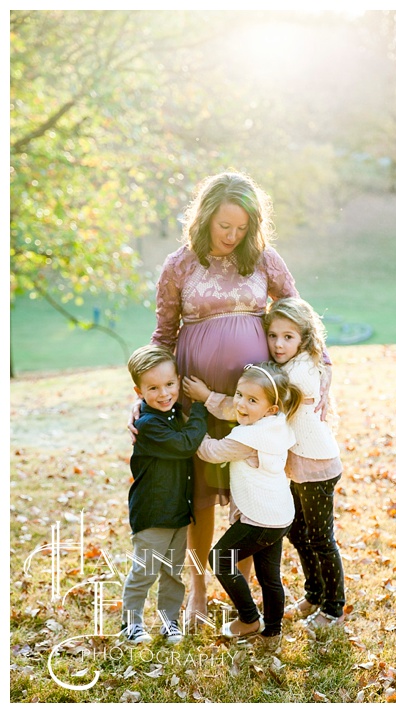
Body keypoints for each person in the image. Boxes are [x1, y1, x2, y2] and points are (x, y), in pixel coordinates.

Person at [150, 172, 301, 626]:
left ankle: (242, 588)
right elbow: (163, 336)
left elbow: (298, 315)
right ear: (204, 218)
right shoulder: (179, 265)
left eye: (242, 228)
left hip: (255, 405)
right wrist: (150, 397)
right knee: (198, 494)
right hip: (196, 402)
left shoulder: (263, 259)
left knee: (251, 490)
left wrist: (317, 377)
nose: (233, 237)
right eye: (224, 227)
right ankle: (197, 589)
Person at [185, 297, 346, 631]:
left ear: (303, 337)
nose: (278, 344)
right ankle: (313, 594)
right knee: (299, 536)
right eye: (272, 336)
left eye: (288, 337)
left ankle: (333, 609)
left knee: (320, 540)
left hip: (316, 466)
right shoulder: (286, 371)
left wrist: (206, 399)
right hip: (299, 468)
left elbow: (248, 408)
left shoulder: (297, 375)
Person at [193, 363, 302, 640]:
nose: (241, 403)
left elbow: (211, 452)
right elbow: (232, 409)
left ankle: (249, 619)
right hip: (279, 516)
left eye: (251, 400)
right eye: (239, 394)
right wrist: (209, 397)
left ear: (270, 408)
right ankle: (273, 631)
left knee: (220, 558)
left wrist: (192, 429)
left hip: (261, 520)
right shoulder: (273, 423)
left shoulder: (248, 438)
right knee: (269, 577)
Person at [123, 345, 209, 646]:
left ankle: (168, 621)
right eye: (153, 388)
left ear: (178, 380)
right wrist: (200, 407)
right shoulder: (148, 425)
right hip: (153, 513)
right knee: (145, 572)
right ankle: (130, 623)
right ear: (139, 391)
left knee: (172, 571)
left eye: (170, 384)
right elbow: (186, 444)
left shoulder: (172, 413)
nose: (164, 393)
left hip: (176, 511)